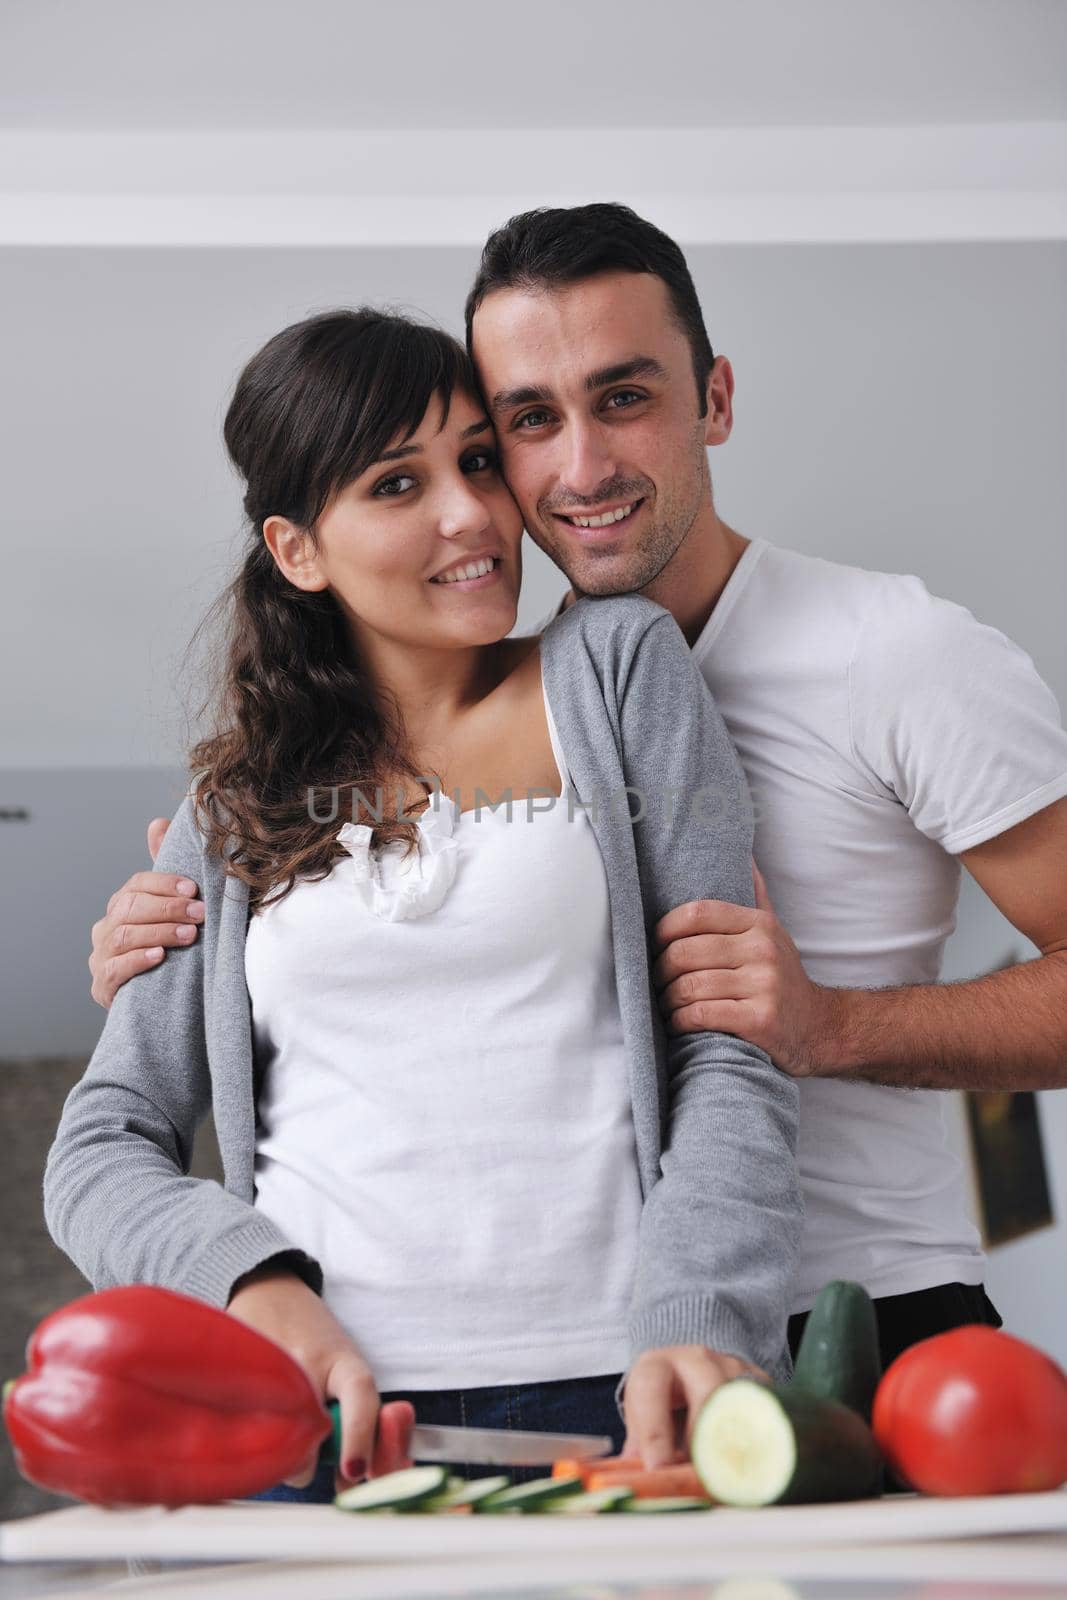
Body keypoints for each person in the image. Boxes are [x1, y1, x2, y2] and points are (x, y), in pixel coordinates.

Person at [92, 204, 1067, 1370]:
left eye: (623, 397)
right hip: (607, 1339)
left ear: (712, 398)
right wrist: (194, 931)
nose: (581, 466)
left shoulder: (897, 653)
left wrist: (831, 1025)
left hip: (871, 1310)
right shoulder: (563, 684)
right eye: (527, 421)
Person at [48, 307, 801, 1504]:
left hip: (623, 1397)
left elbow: (726, 1047)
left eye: (476, 461)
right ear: (299, 550)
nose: (472, 515)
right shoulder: (231, 805)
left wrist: (697, 1313)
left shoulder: (614, 671)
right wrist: (251, 1283)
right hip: (318, 1427)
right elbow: (99, 1147)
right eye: (398, 482)